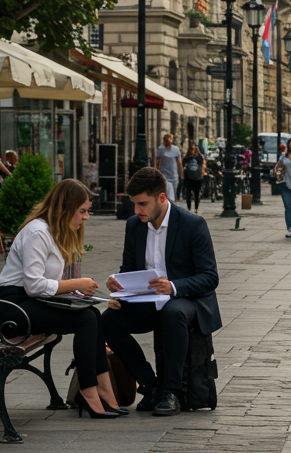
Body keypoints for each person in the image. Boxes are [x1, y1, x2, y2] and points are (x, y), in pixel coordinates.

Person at [0, 178, 122, 418]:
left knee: (92, 313)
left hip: (32, 303)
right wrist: (77, 284)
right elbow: (33, 285)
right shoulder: (37, 232)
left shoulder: (55, 232)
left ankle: (104, 388)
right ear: (65, 208)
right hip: (12, 309)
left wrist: (82, 294)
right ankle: (89, 391)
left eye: (87, 211)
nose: (86, 217)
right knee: (85, 320)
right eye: (82, 211)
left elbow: (48, 286)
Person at [103, 167, 222, 417]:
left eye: (142, 204)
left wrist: (174, 286)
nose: (137, 211)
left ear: (162, 197)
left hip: (187, 300)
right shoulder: (135, 225)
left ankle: (172, 391)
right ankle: (151, 384)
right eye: (134, 204)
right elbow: (128, 270)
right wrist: (117, 286)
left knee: (172, 312)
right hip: (148, 301)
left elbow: (210, 277)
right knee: (107, 321)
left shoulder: (192, 224)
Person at [155, 134, 184, 201]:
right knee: (168, 194)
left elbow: (179, 162)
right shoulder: (161, 149)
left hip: (174, 175)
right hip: (164, 174)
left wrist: (181, 173)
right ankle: (167, 208)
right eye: (166, 140)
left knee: (173, 193)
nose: (167, 142)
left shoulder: (176, 149)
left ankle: (170, 207)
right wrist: (157, 172)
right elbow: (158, 162)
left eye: (169, 140)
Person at [180, 144, 207, 212]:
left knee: (196, 193)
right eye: (191, 149)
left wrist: (203, 173)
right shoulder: (186, 158)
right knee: (188, 193)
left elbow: (203, 165)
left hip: (197, 177)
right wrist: (182, 174)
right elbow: (182, 166)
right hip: (188, 177)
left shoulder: (200, 157)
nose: (192, 151)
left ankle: (196, 207)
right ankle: (189, 207)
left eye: (194, 149)